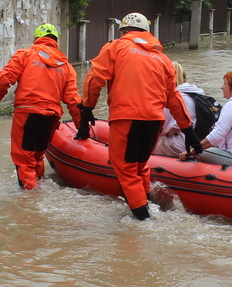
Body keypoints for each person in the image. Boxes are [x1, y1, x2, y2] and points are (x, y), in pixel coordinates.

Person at [79, 13, 202, 220]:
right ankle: (146, 203)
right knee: (140, 166)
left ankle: (143, 219)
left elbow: (94, 79)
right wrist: (188, 131)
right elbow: (173, 97)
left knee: (125, 169)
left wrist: (87, 107)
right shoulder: (162, 58)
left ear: (123, 31)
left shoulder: (115, 48)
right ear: (147, 32)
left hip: (126, 118)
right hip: (154, 122)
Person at [0, 23, 83, 189]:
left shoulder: (26, 54)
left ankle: (30, 203)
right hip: (51, 117)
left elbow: (5, 77)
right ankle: (39, 186)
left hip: (27, 113)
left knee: (24, 160)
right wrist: (82, 126)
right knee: (37, 157)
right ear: (56, 40)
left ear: (37, 39)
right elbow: (73, 99)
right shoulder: (66, 66)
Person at [154, 62, 212, 157]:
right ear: (185, 77)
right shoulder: (197, 94)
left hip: (182, 144)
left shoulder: (174, 98)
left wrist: (170, 132)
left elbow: (160, 128)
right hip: (199, 141)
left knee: (148, 140)